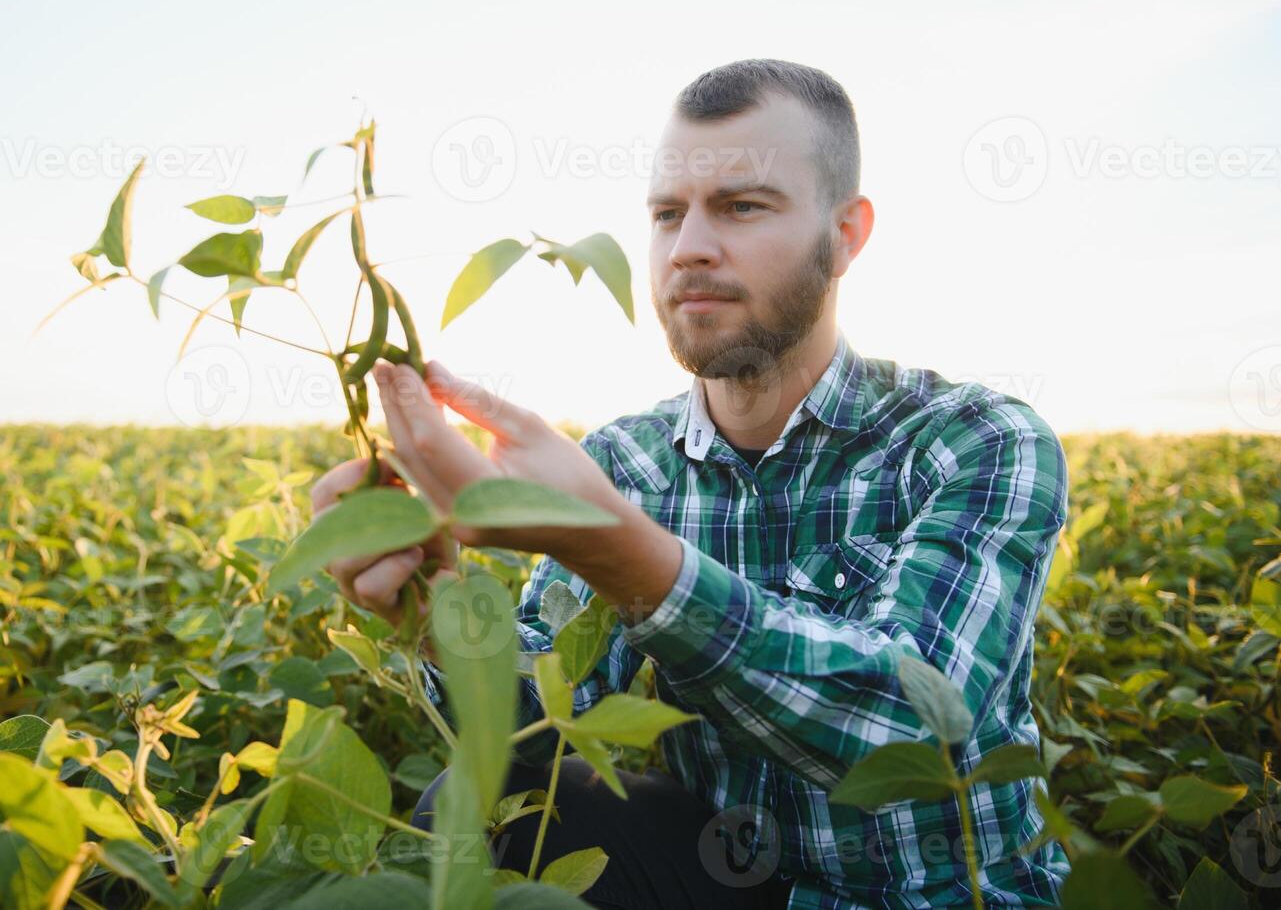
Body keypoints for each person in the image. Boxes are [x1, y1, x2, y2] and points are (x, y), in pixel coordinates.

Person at [310, 59, 1070, 908]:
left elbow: (919, 733)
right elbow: (532, 722)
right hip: (741, 882)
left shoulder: (972, 440)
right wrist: (437, 604)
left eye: (742, 206)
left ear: (847, 234)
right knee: (481, 806)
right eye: (667, 214)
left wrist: (622, 554)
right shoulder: (625, 462)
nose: (688, 248)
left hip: (937, 898)